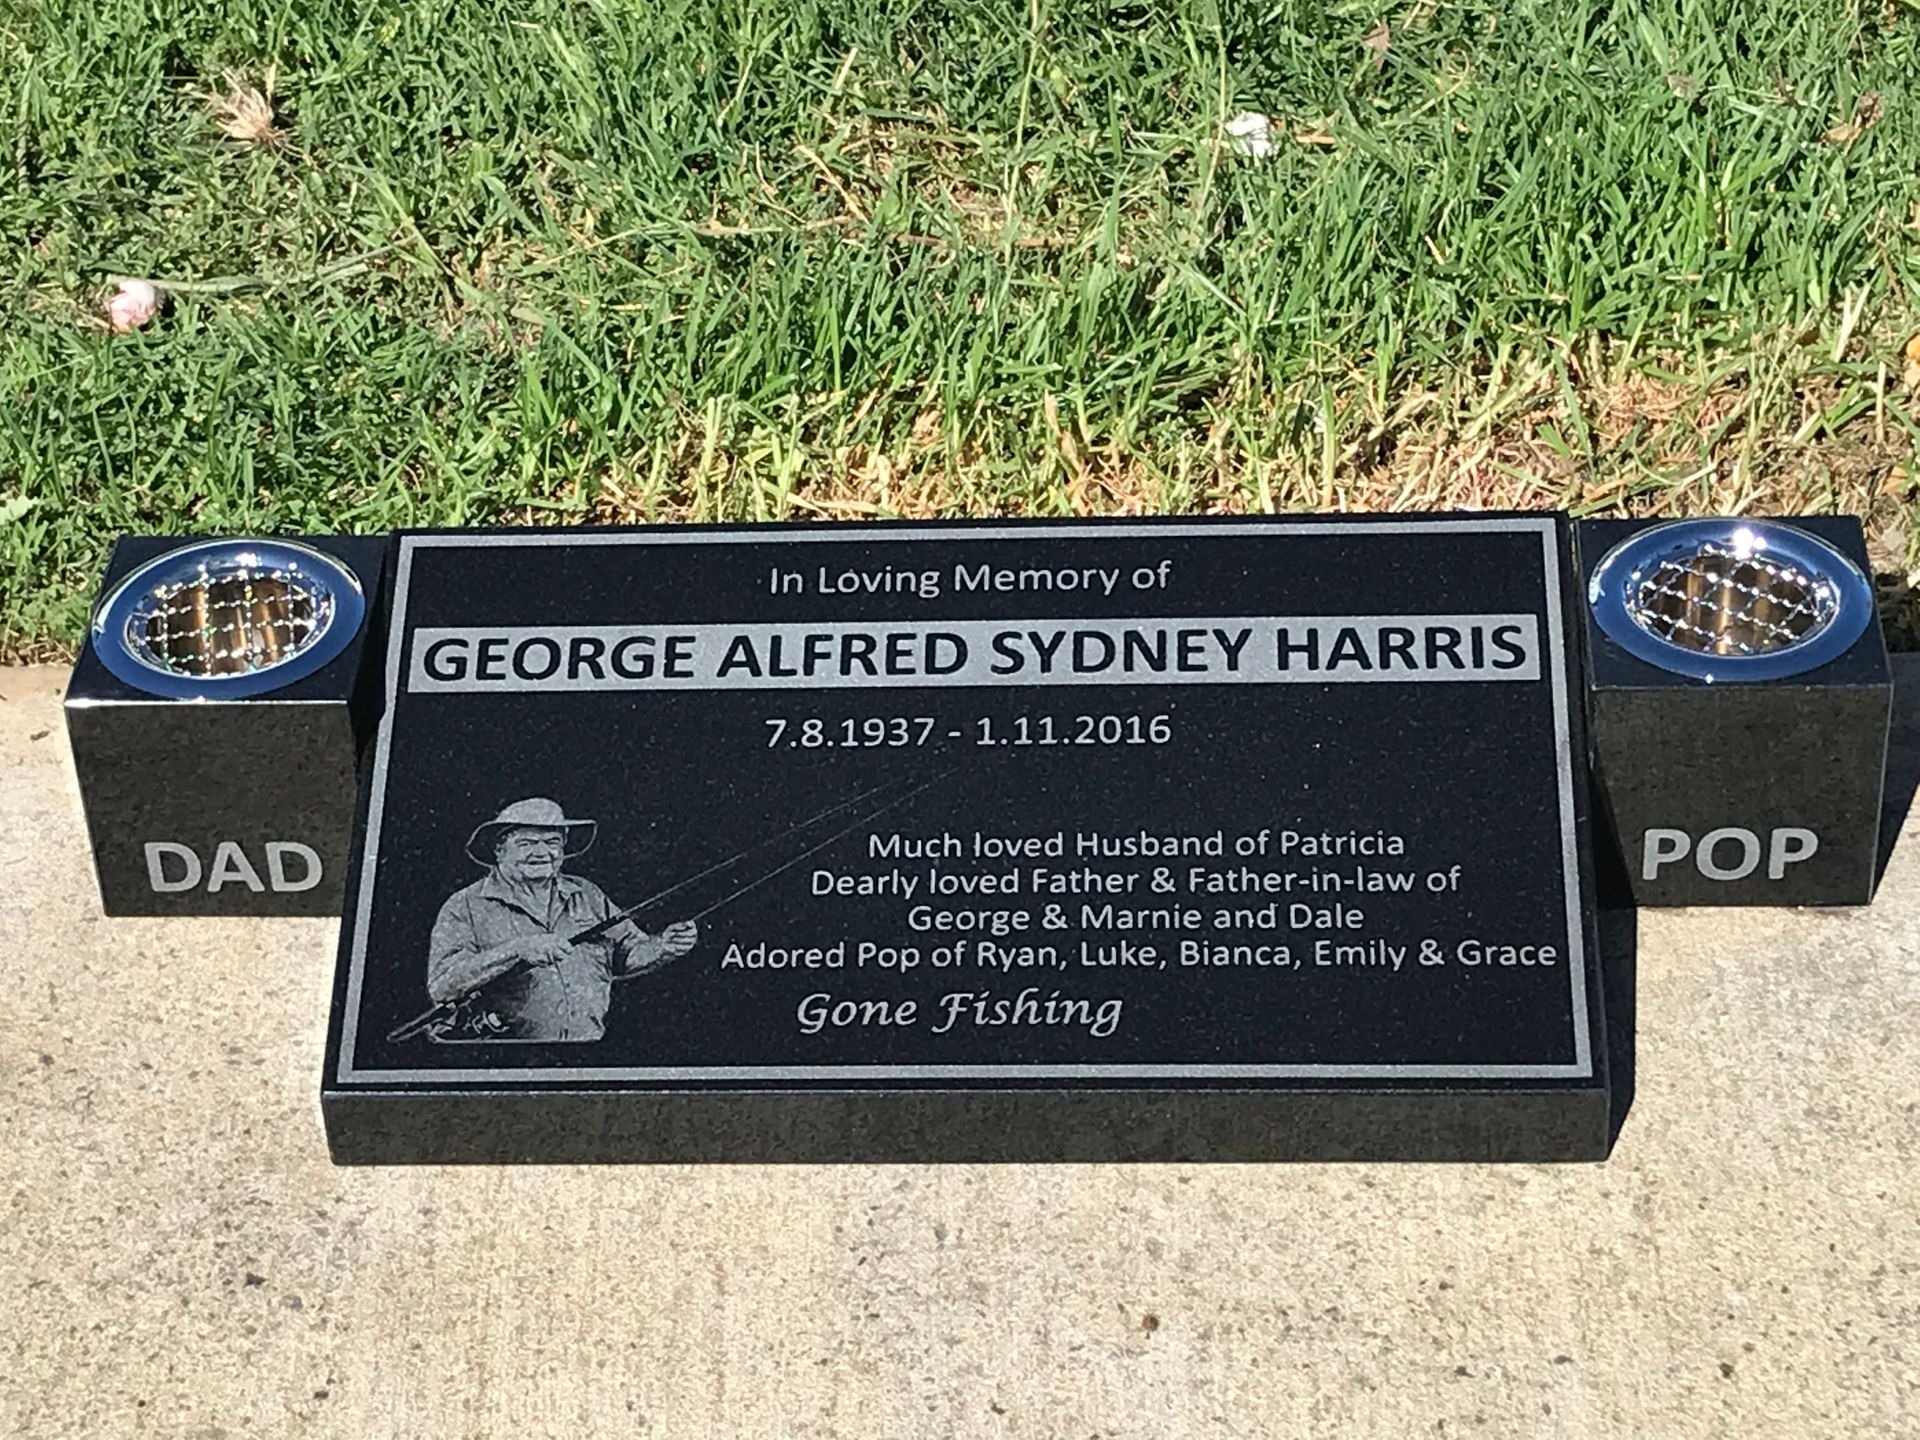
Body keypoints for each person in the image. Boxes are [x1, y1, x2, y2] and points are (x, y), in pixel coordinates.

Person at [426, 797, 697, 1041]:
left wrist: (662, 947)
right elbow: (442, 986)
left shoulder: (587, 894)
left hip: (586, 1047)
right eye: (526, 843)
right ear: (499, 850)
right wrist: (517, 950)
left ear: (563, 848)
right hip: (504, 1058)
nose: (541, 853)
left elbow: (626, 954)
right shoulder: (465, 906)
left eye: (552, 842)